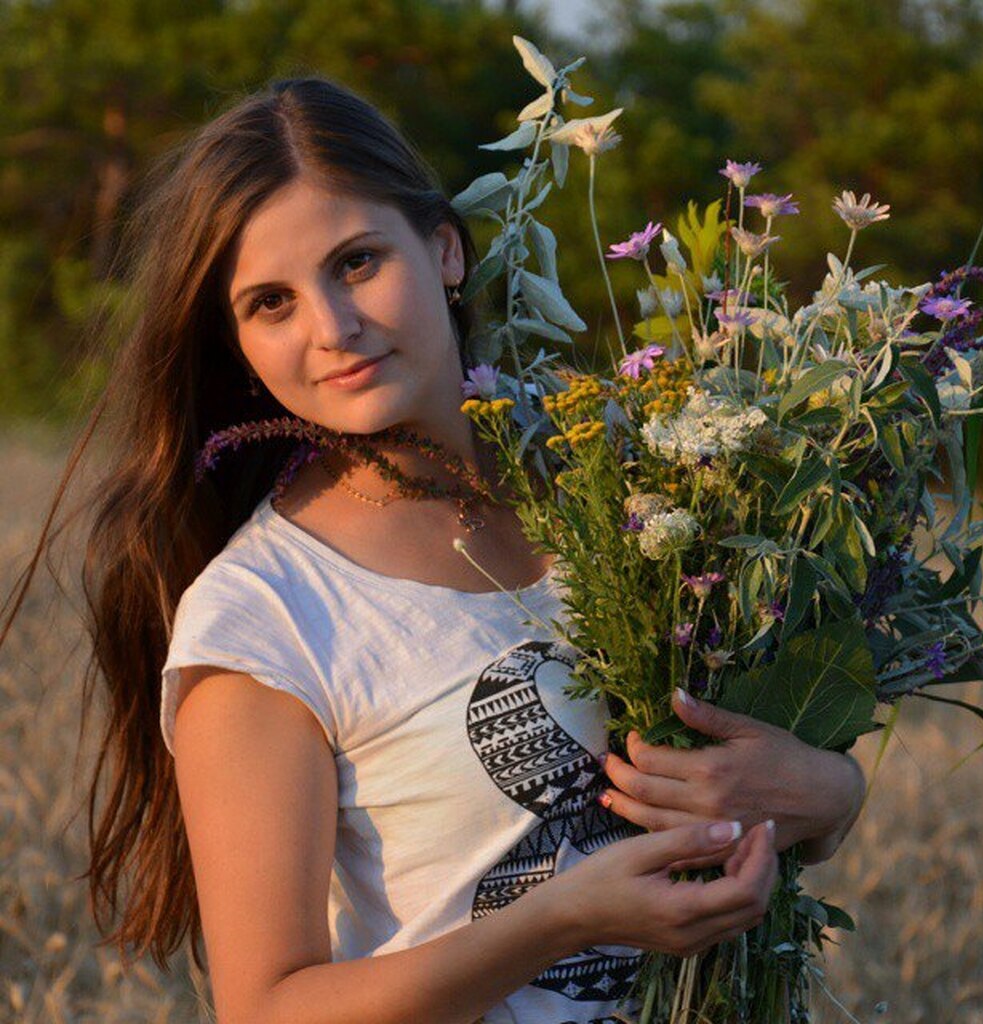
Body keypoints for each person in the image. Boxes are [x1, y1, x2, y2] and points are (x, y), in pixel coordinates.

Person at [0, 76, 862, 1024]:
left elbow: (762, 771)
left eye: (358, 261)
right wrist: (557, 920)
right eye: (271, 303)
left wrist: (831, 790)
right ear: (237, 341)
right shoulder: (267, 615)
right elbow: (267, 1007)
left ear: (445, 248)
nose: (332, 329)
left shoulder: (643, 476)